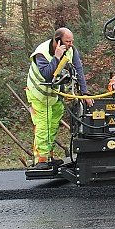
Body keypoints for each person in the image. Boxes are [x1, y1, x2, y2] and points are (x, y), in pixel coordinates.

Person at [26, 27, 93, 170]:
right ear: (57, 41)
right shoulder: (41, 52)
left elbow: (78, 69)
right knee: (43, 125)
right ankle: (41, 160)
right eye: (67, 41)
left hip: (54, 93)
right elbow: (47, 75)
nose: (70, 44)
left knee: (54, 123)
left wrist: (85, 93)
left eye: (71, 41)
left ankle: (49, 156)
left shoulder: (71, 49)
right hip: (38, 93)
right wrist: (57, 57)